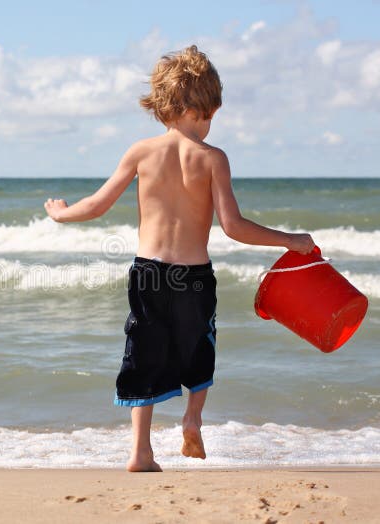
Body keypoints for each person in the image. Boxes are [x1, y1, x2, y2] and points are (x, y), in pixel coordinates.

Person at [43, 45, 314, 472]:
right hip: (194, 276)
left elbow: (97, 205)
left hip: (148, 274)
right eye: (208, 116)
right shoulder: (213, 159)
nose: (209, 125)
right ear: (198, 108)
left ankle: (140, 452)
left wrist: (61, 213)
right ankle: (192, 417)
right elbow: (234, 226)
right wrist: (288, 240)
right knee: (199, 347)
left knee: (143, 351)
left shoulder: (141, 152)